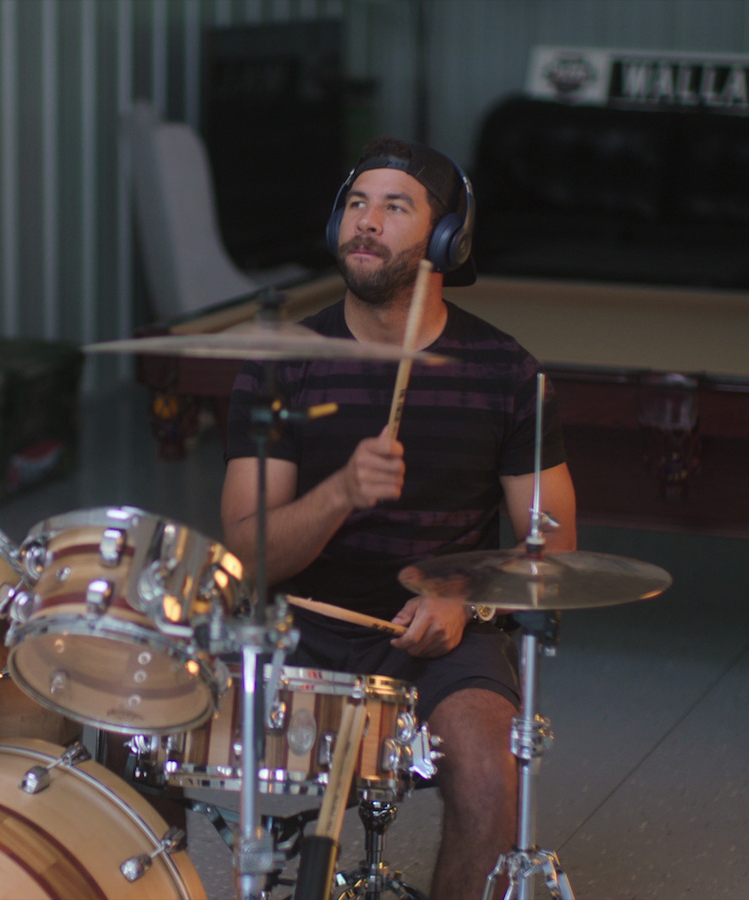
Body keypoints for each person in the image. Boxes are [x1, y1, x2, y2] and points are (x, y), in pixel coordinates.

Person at [220, 136, 577, 899]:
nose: (365, 223)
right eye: (355, 204)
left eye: (394, 206)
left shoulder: (507, 372)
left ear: (448, 240)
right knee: (130, 723)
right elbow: (246, 555)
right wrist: (341, 492)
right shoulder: (283, 362)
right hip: (298, 628)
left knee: (491, 779)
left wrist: (466, 598)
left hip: (443, 642)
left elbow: (554, 544)